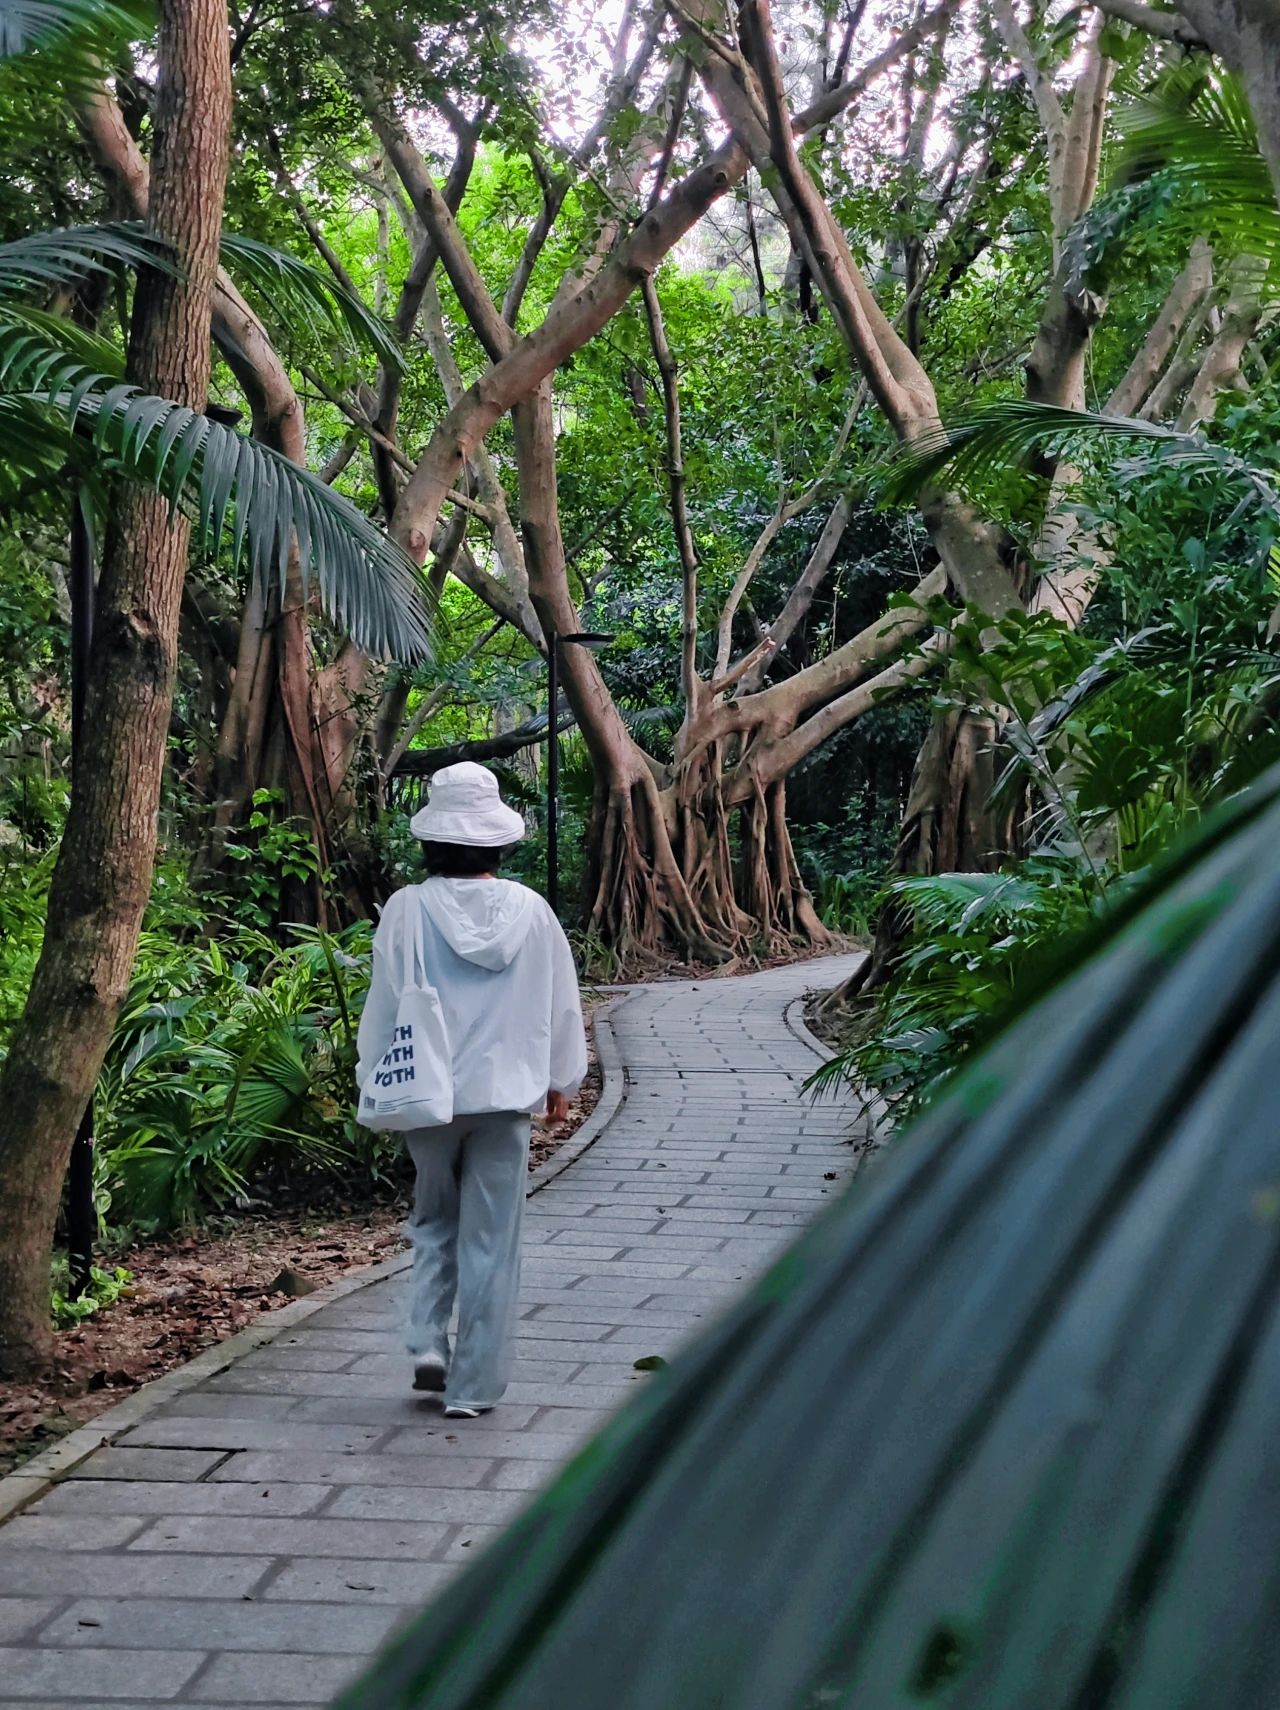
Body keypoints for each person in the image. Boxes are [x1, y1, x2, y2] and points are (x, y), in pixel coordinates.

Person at [356, 762, 588, 1419]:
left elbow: (385, 1005)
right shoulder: (533, 914)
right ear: (499, 843)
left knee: (433, 1219)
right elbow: (560, 1003)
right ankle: (473, 1387)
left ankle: (428, 1341)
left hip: (428, 1097)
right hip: (507, 1100)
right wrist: (562, 1081)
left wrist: (374, 1075)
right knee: (492, 1239)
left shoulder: (406, 910)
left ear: (431, 840)